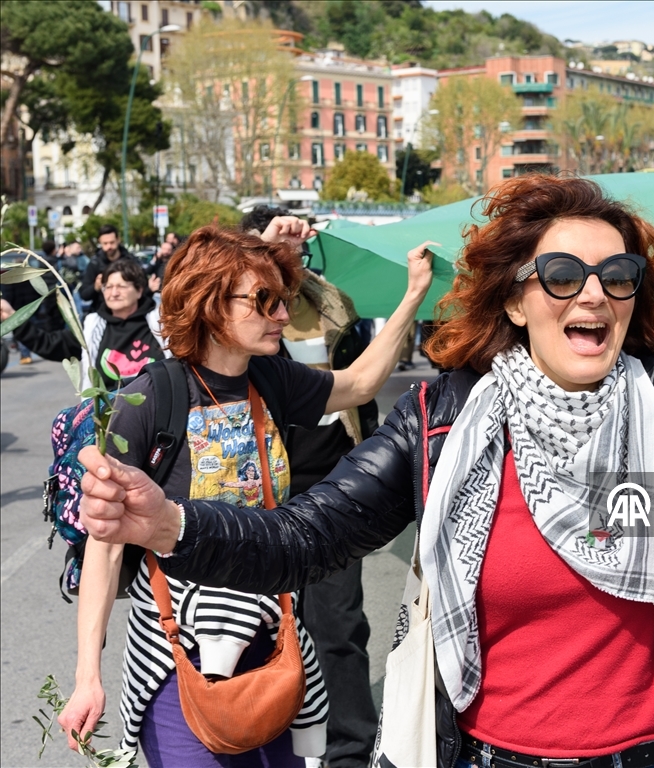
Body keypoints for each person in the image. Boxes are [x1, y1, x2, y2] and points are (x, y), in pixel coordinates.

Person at [78, 176, 654, 767]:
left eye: (619, 279)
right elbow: (301, 540)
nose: (595, 296)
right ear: (518, 298)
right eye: (563, 274)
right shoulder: (439, 422)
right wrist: (170, 527)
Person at [58, 219, 435, 767]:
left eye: (281, 300)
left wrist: (414, 294)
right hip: (175, 656)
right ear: (210, 302)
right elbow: (106, 542)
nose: (282, 314)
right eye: (264, 300)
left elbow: (358, 384)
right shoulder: (152, 396)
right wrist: (86, 677)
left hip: (272, 639)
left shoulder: (272, 378)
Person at [240, 204, 382, 768]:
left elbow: (362, 382)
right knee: (256, 623)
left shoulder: (329, 302)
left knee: (338, 623)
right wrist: (260, 254)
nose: (286, 254)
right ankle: (263, 734)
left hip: (332, 486)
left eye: (292, 246)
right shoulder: (235, 311)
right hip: (259, 489)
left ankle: (350, 748)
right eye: (269, 247)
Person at [1, 258, 167, 390]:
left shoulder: (161, 323)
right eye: (108, 287)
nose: (113, 293)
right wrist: (13, 318)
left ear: (139, 290)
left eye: (121, 286)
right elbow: (49, 344)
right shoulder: (91, 326)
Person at [80, 225, 138, 314]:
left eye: (112, 242)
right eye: (105, 243)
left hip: (129, 312)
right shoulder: (95, 263)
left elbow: (141, 286)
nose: (109, 247)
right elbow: (84, 294)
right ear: (100, 242)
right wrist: (95, 287)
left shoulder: (130, 261)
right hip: (102, 312)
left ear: (118, 240)